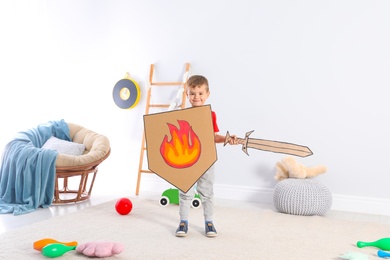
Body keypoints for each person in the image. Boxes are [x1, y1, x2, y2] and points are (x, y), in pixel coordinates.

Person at [175, 75, 238, 238]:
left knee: (207, 192)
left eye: (200, 93)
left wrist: (227, 138)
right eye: (192, 93)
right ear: (187, 94)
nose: (197, 97)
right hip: (187, 160)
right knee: (185, 190)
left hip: (206, 159)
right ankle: (183, 221)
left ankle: (209, 222)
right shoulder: (182, 115)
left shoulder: (211, 115)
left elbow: (213, 137)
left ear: (207, 94)